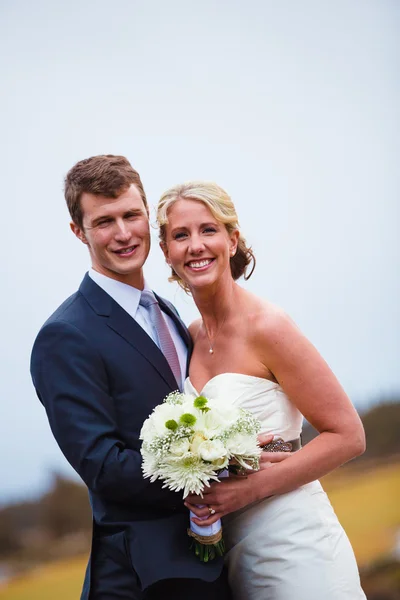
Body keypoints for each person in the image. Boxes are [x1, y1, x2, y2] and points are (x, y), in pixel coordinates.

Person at [30, 157, 232, 600]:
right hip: (142, 576)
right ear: (78, 232)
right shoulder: (65, 335)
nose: (123, 234)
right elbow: (104, 466)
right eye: (104, 221)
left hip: (210, 561)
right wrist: (221, 467)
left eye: (130, 215)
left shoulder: (168, 310)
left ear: (147, 216)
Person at [156, 180, 367, 599]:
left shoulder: (269, 327)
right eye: (181, 235)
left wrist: (251, 488)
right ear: (167, 252)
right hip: (233, 553)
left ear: (232, 240)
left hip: (296, 546)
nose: (195, 245)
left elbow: (349, 436)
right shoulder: (190, 337)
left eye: (208, 230)